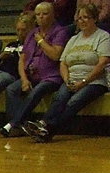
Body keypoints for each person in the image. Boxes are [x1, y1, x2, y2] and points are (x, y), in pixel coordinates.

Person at [23, 3, 110, 140]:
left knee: (74, 101)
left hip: (94, 81)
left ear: (94, 19)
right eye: (79, 18)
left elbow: (103, 63)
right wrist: (66, 79)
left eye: (86, 17)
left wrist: (83, 82)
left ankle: (48, 129)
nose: (82, 21)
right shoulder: (74, 39)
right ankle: (43, 125)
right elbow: (63, 63)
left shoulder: (103, 36)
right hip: (71, 80)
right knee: (59, 97)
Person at [0, 1, 71, 136]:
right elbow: (22, 59)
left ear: (53, 15)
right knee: (11, 89)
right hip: (31, 74)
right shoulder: (32, 32)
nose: (41, 17)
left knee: (37, 90)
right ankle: (20, 126)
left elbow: (55, 55)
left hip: (51, 76)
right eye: (38, 14)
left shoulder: (60, 31)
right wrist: (24, 79)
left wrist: (40, 41)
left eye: (45, 14)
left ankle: (13, 124)